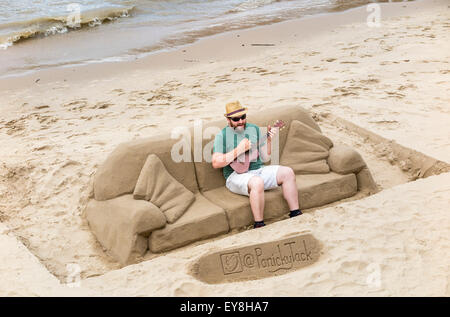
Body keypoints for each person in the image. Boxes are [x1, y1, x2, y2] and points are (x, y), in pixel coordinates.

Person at [212, 101, 302, 229]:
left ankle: (296, 213)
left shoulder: (254, 129)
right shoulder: (222, 136)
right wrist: (239, 150)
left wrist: (269, 140)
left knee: (287, 172)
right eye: (236, 119)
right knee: (257, 182)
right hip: (235, 176)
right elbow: (216, 162)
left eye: (243, 117)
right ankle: (259, 224)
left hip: (258, 170)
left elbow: (265, 157)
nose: (241, 121)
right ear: (228, 119)